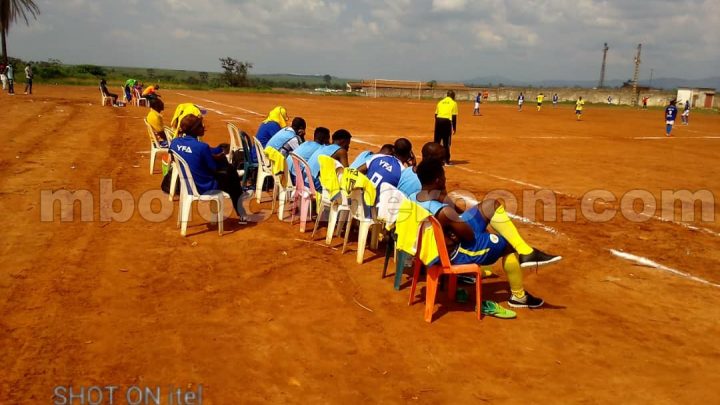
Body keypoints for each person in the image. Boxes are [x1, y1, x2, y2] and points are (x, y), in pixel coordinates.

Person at [413, 159, 561, 308]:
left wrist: (449, 211)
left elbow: (455, 218)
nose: (446, 179)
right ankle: (519, 296)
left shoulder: (414, 198)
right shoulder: (444, 212)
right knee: (508, 244)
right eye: (444, 176)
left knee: (491, 205)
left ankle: (525, 251)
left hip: (439, 243)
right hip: (454, 253)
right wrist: (456, 228)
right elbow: (469, 235)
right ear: (438, 180)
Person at [169, 114, 246, 219]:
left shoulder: (174, 142)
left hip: (187, 184)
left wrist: (210, 156)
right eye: (201, 125)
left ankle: (239, 202)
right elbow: (213, 168)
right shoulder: (202, 147)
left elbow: (187, 154)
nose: (204, 127)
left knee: (230, 172)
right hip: (204, 186)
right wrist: (219, 158)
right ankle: (241, 212)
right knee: (231, 174)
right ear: (195, 129)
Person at [434, 90, 457, 165]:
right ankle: (446, 160)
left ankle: (435, 159)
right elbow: (454, 116)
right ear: (453, 96)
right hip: (446, 122)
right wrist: (454, 128)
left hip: (438, 121)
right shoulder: (454, 103)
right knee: (446, 142)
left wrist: (437, 123)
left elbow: (436, 114)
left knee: (437, 142)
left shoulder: (440, 102)